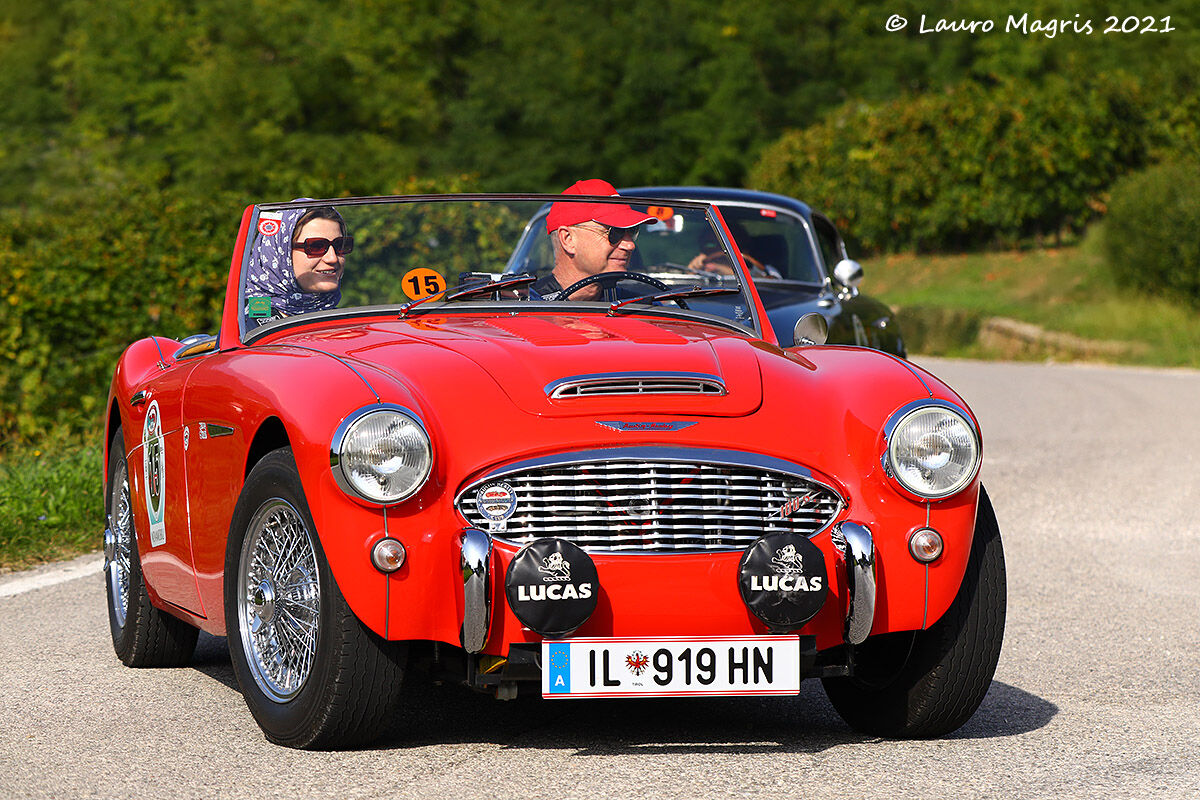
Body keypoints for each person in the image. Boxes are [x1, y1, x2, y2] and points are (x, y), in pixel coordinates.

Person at [530, 179, 658, 301]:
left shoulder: (641, 308)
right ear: (568, 239)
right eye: (614, 232)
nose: (630, 245)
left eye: (632, 231)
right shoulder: (523, 310)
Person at [244, 203, 352, 327]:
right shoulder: (249, 332)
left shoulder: (350, 325)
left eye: (340, 245)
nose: (332, 258)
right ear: (280, 254)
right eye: (316, 246)